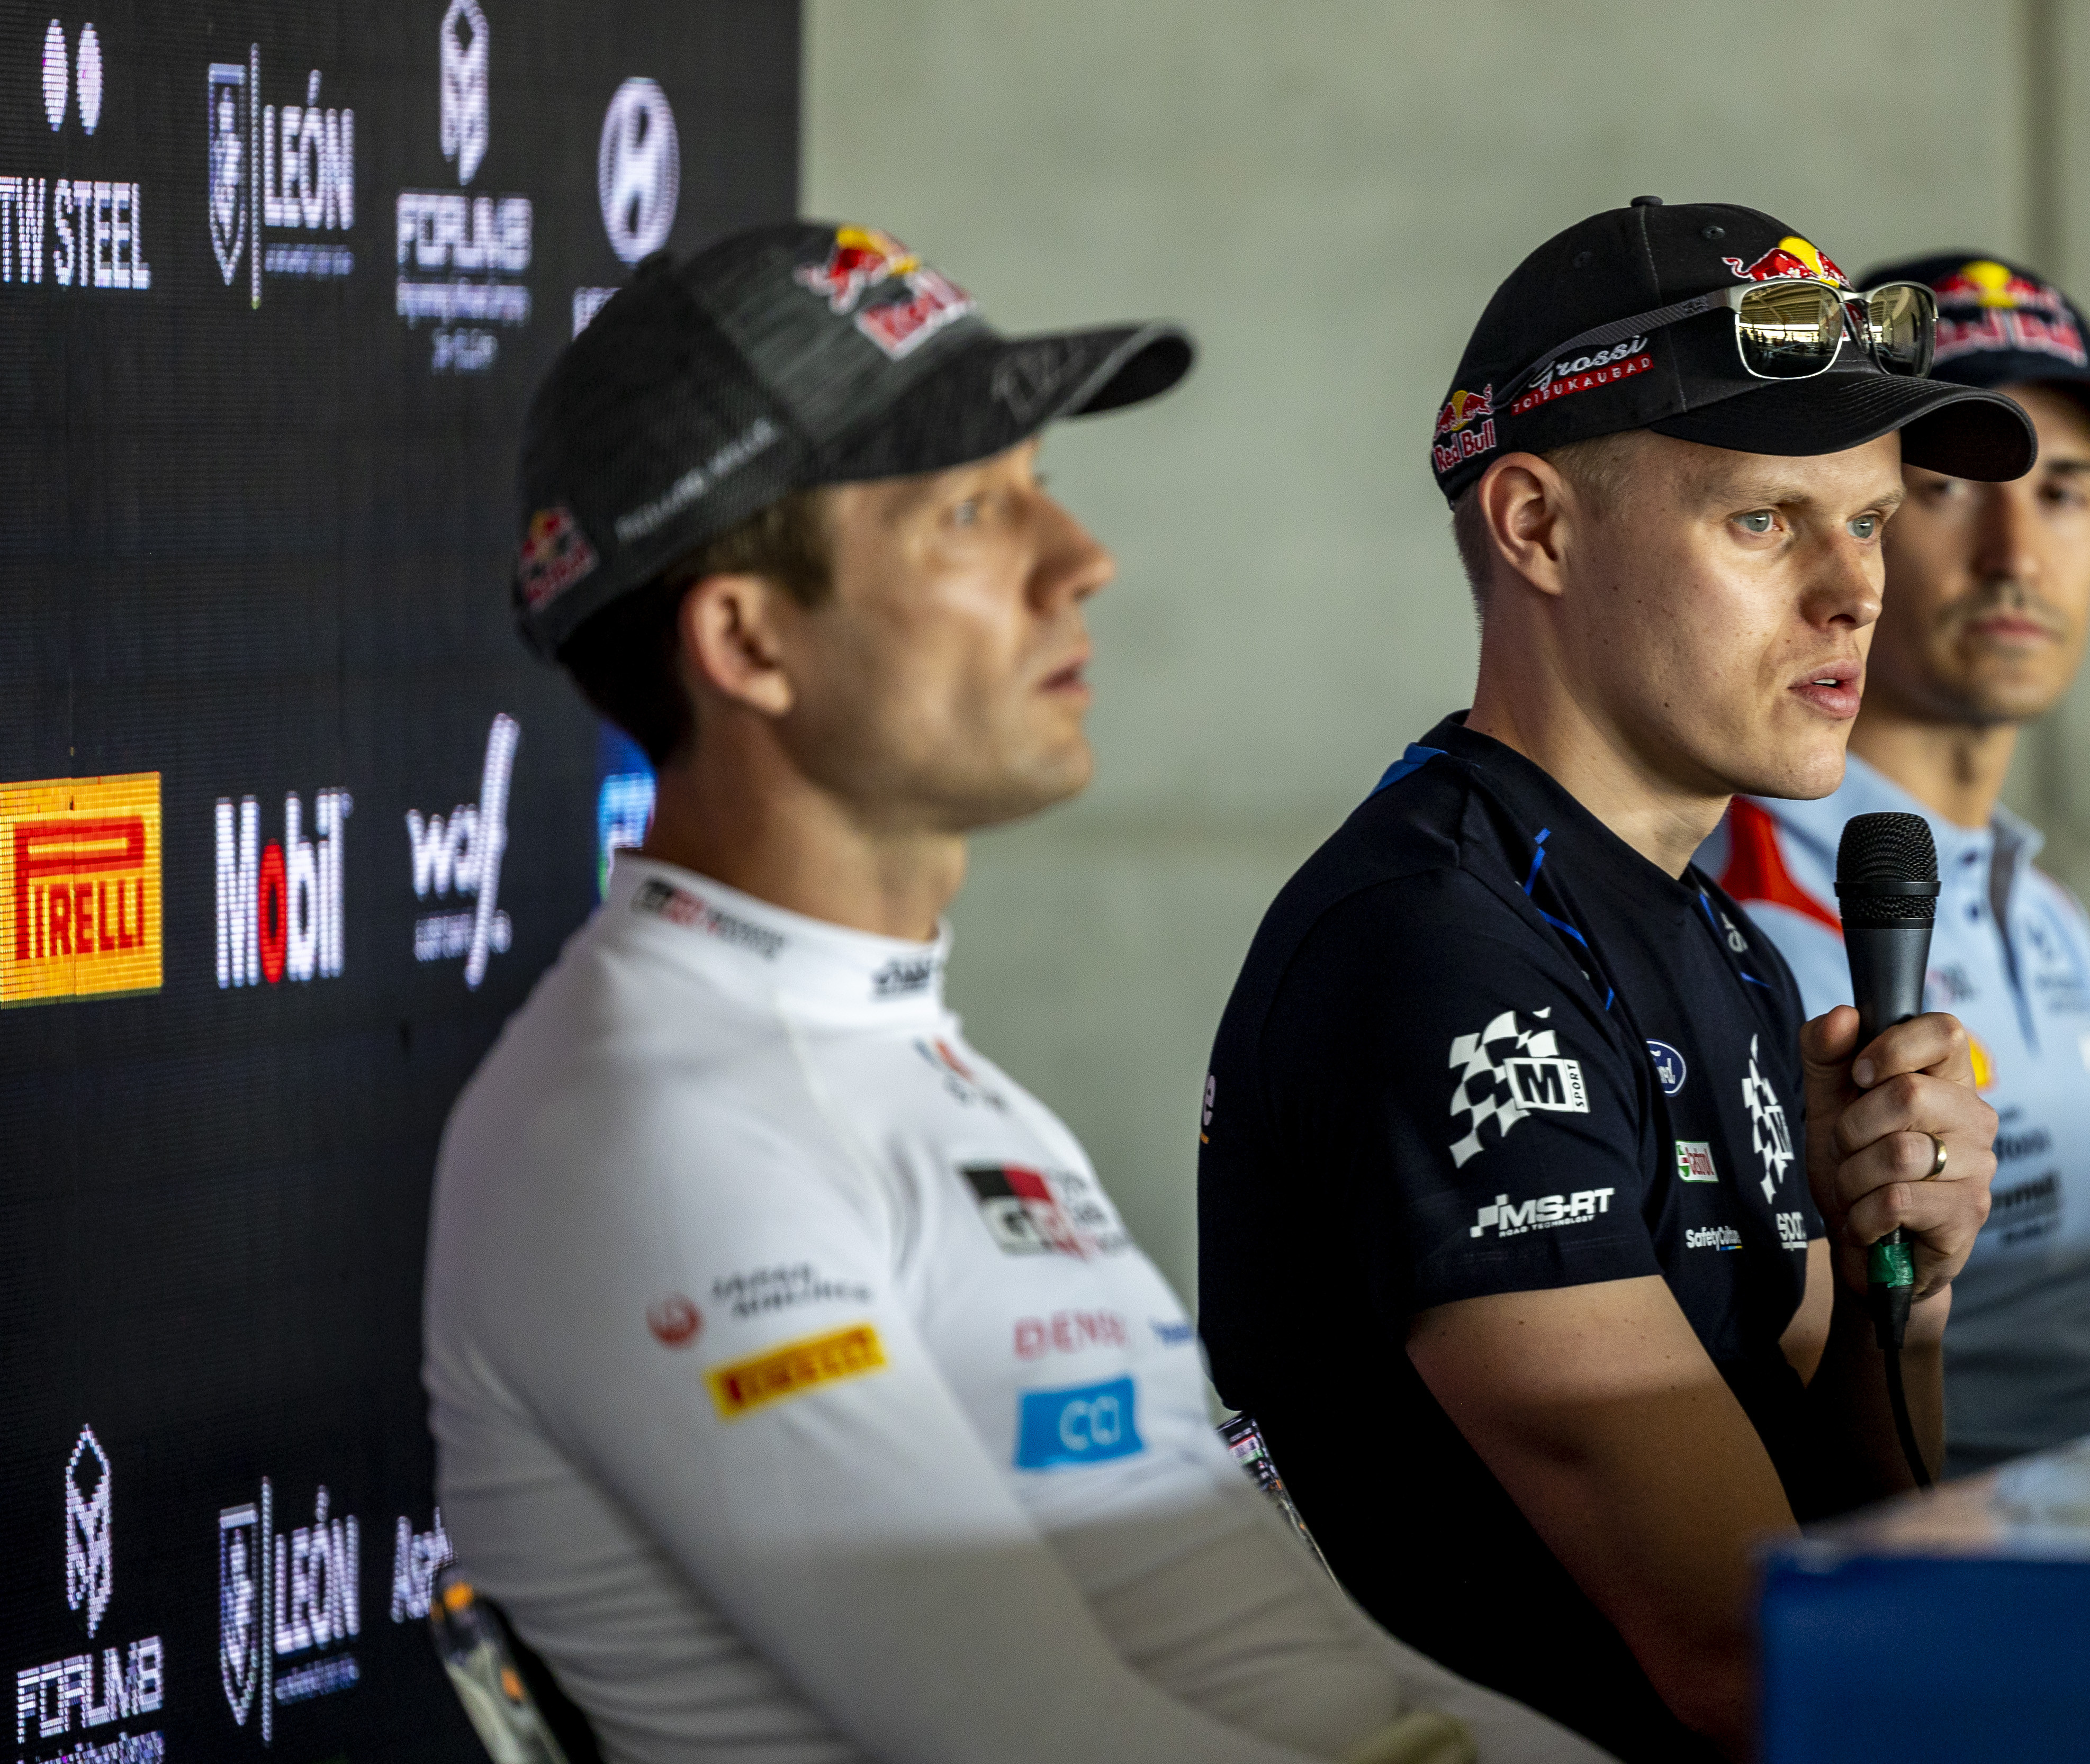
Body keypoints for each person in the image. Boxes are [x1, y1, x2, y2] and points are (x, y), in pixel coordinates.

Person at [424, 221, 1608, 1764]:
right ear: (749, 640)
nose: (1082, 558)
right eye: (973, 510)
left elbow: (1319, 1662)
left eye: (1039, 481)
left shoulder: (899, 1064)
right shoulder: (653, 1126)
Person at [1196, 198, 2035, 1763]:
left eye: (1868, 520)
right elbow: (1739, 1649)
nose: (1856, 591)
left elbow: (1832, 1513)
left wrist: (1904, 1289)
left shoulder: (1721, 944)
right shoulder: (1441, 949)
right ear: (1536, 527)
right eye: (1765, 520)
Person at [1697, 252, 2090, 1478]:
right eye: (1952, 491)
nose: (2015, 551)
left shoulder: (2049, 910)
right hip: (1933, 1556)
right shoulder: (1726, 898)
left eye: (2064, 491)